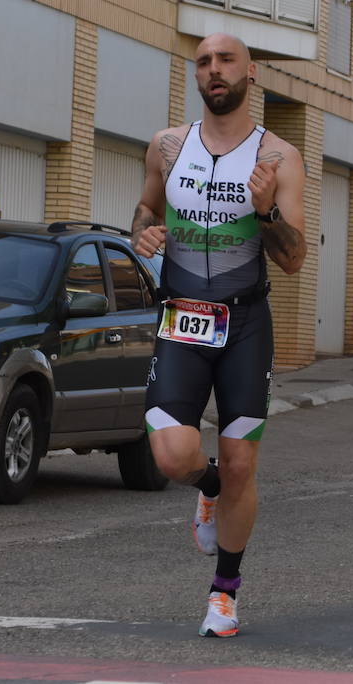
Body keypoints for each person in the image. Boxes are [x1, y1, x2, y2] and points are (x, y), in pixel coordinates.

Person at [132, 33, 307, 638]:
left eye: (225, 60)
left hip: (246, 323)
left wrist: (265, 213)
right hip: (182, 317)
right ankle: (206, 487)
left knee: (241, 462)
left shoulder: (278, 158)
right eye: (203, 62)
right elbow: (147, 209)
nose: (214, 70)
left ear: (250, 72)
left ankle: (224, 595)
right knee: (172, 453)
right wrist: (144, 236)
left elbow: (292, 259)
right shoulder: (166, 145)